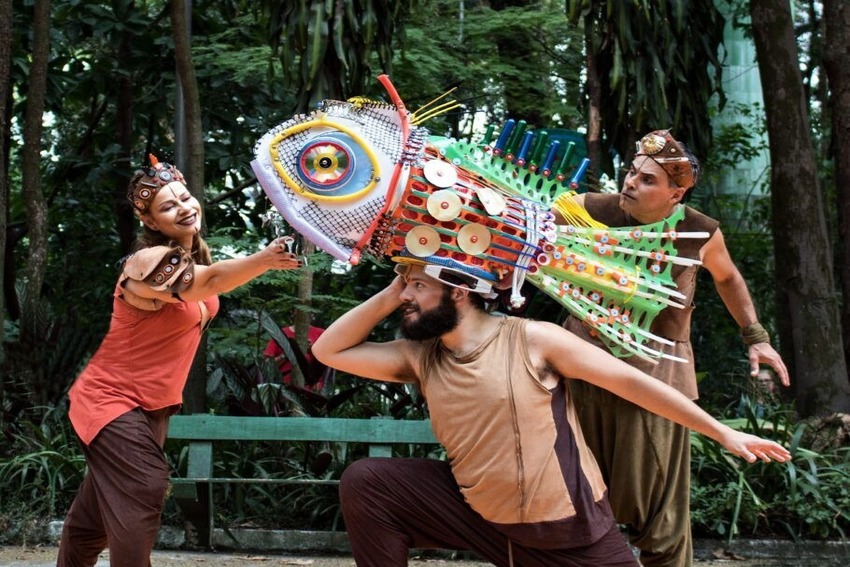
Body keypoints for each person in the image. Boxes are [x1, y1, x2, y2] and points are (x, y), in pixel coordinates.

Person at [310, 260, 791, 567]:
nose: (407, 297)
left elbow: (633, 383)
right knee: (368, 481)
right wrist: (398, 284)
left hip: (570, 532)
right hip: (483, 519)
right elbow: (331, 350)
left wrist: (721, 432)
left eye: (417, 286)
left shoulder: (532, 338)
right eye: (406, 288)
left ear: (458, 290)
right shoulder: (421, 356)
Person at [555, 129, 791, 567]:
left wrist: (755, 335)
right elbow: (519, 222)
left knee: (658, 513)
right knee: (573, 496)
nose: (630, 182)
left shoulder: (699, 231)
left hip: (655, 379)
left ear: (675, 192)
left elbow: (728, 277)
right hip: (582, 370)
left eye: (647, 180)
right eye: (632, 172)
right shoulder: (590, 210)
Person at [57, 156, 302, 567]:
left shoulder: (198, 261)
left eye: (185, 198)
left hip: (152, 407)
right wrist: (263, 260)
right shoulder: (145, 262)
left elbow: (210, 277)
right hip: (109, 400)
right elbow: (204, 283)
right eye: (169, 206)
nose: (184, 207)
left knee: (95, 516)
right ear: (151, 222)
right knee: (145, 485)